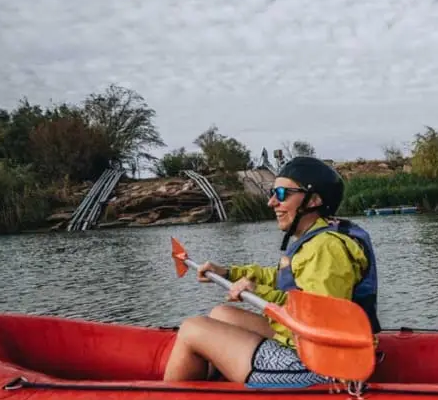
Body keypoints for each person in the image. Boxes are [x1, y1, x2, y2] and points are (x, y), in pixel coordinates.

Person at [163, 156, 380, 386]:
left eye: (283, 194)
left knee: (191, 329)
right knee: (221, 313)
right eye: (272, 193)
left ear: (314, 200)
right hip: (305, 345)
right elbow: (282, 279)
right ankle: (215, 387)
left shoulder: (325, 249)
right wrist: (229, 273)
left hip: (322, 365)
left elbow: (318, 321)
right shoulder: (317, 238)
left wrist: (258, 292)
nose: (272, 202)